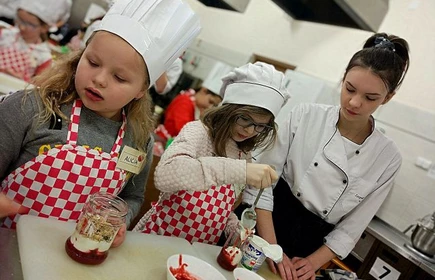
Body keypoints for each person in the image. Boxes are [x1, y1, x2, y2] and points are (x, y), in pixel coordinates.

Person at [0, 0, 201, 248]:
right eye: (93, 62)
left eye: (119, 77)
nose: (99, 79)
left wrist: (120, 220)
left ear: (140, 90)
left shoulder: (138, 140)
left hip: (73, 256)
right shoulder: (31, 108)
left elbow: (132, 196)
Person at [242, 33, 410, 280]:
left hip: (307, 251)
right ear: (343, 77)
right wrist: (272, 249)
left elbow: (352, 227)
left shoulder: (387, 157)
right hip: (262, 227)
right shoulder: (305, 116)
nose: (354, 102)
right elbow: (262, 183)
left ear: (388, 97)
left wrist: (311, 264)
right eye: (349, 88)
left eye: (370, 98)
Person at [133, 62, 290, 245]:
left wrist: (235, 229)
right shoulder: (199, 132)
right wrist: (241, 171)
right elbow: (165, 175)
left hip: (195, 253)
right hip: (156, 239)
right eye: (244, 119)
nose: (249, 131)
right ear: (228, 110)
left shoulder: (243, 154)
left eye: (260, 126)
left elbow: (218, 208)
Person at [0, 0, 60, 82]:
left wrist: (21, 80)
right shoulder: (5, 34)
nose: (22, 27)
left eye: (30, 24)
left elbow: (36, 85)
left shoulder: (43, 57)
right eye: (20, 20)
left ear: (44, 28)